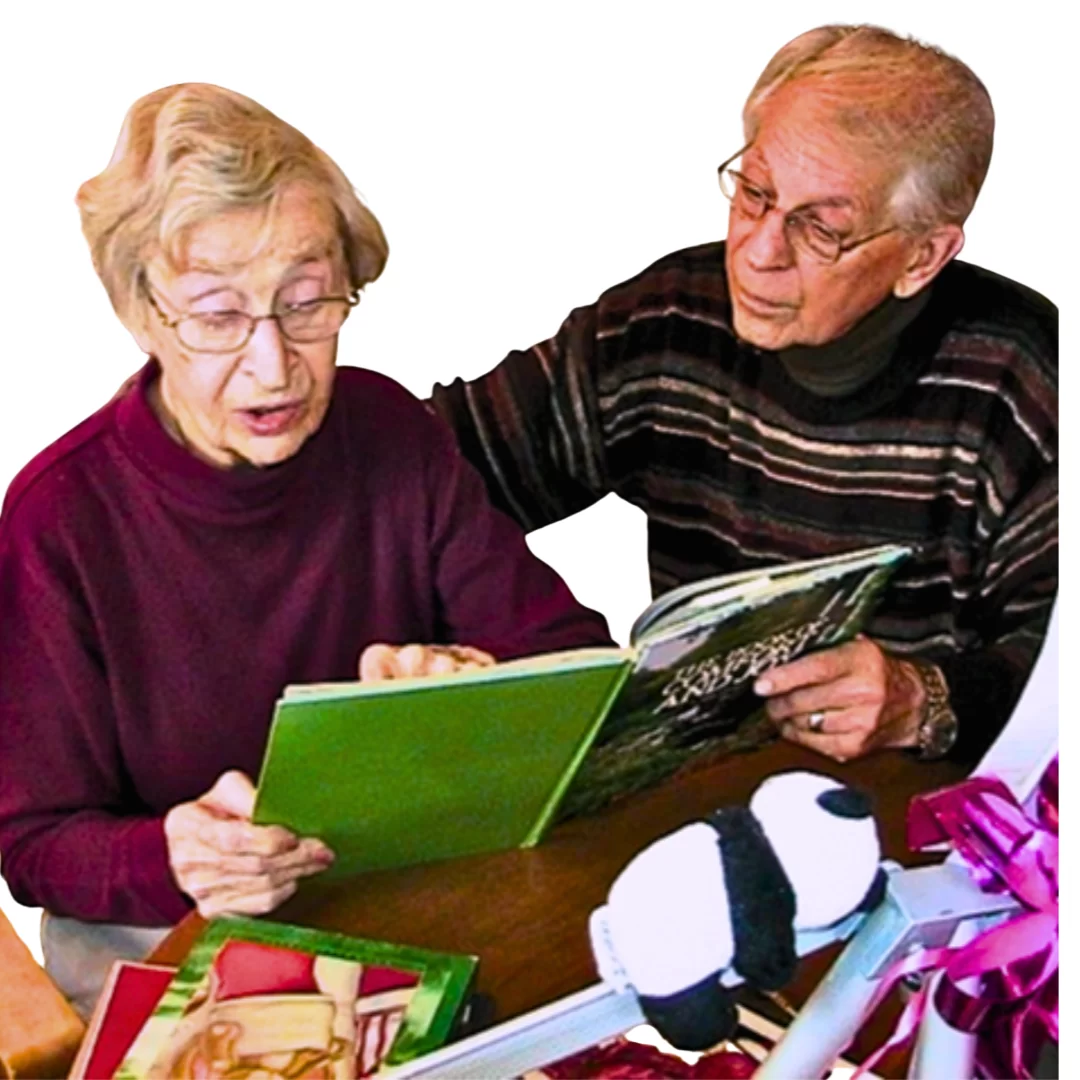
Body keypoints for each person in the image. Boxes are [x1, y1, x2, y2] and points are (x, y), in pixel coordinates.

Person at [0, 83, 611, 1016]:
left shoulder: (387, 430)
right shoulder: (61, 516)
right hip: (175, 940)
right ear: (140, 313)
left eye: (308, 303)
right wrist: (172, 852)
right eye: (216, 316)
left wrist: (475, 688)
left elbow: (577, 660)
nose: (275, 363)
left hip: (412, 910)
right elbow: (33, 842)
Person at [429, 24, 1057, 769]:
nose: (757, 253)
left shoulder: (1022, 381)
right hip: (691, 784)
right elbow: (433, 475)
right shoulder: (669, 322)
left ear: (922, 256)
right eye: (754, 194)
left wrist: (921, 699)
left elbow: (1059, 668)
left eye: (820, 228)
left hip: (929, 815)